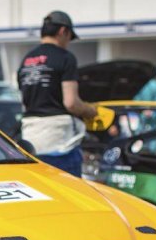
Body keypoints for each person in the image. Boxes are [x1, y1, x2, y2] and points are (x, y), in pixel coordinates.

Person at [17, 10, 97, 177]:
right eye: (69, 37)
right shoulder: (65, 58)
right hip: (58, 138)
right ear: (63, 31)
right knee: (67, 190)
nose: (68, 42)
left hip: (30, 134)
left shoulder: (26, 60)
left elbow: (25, 101)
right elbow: (71, 103)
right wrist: (91, 111)